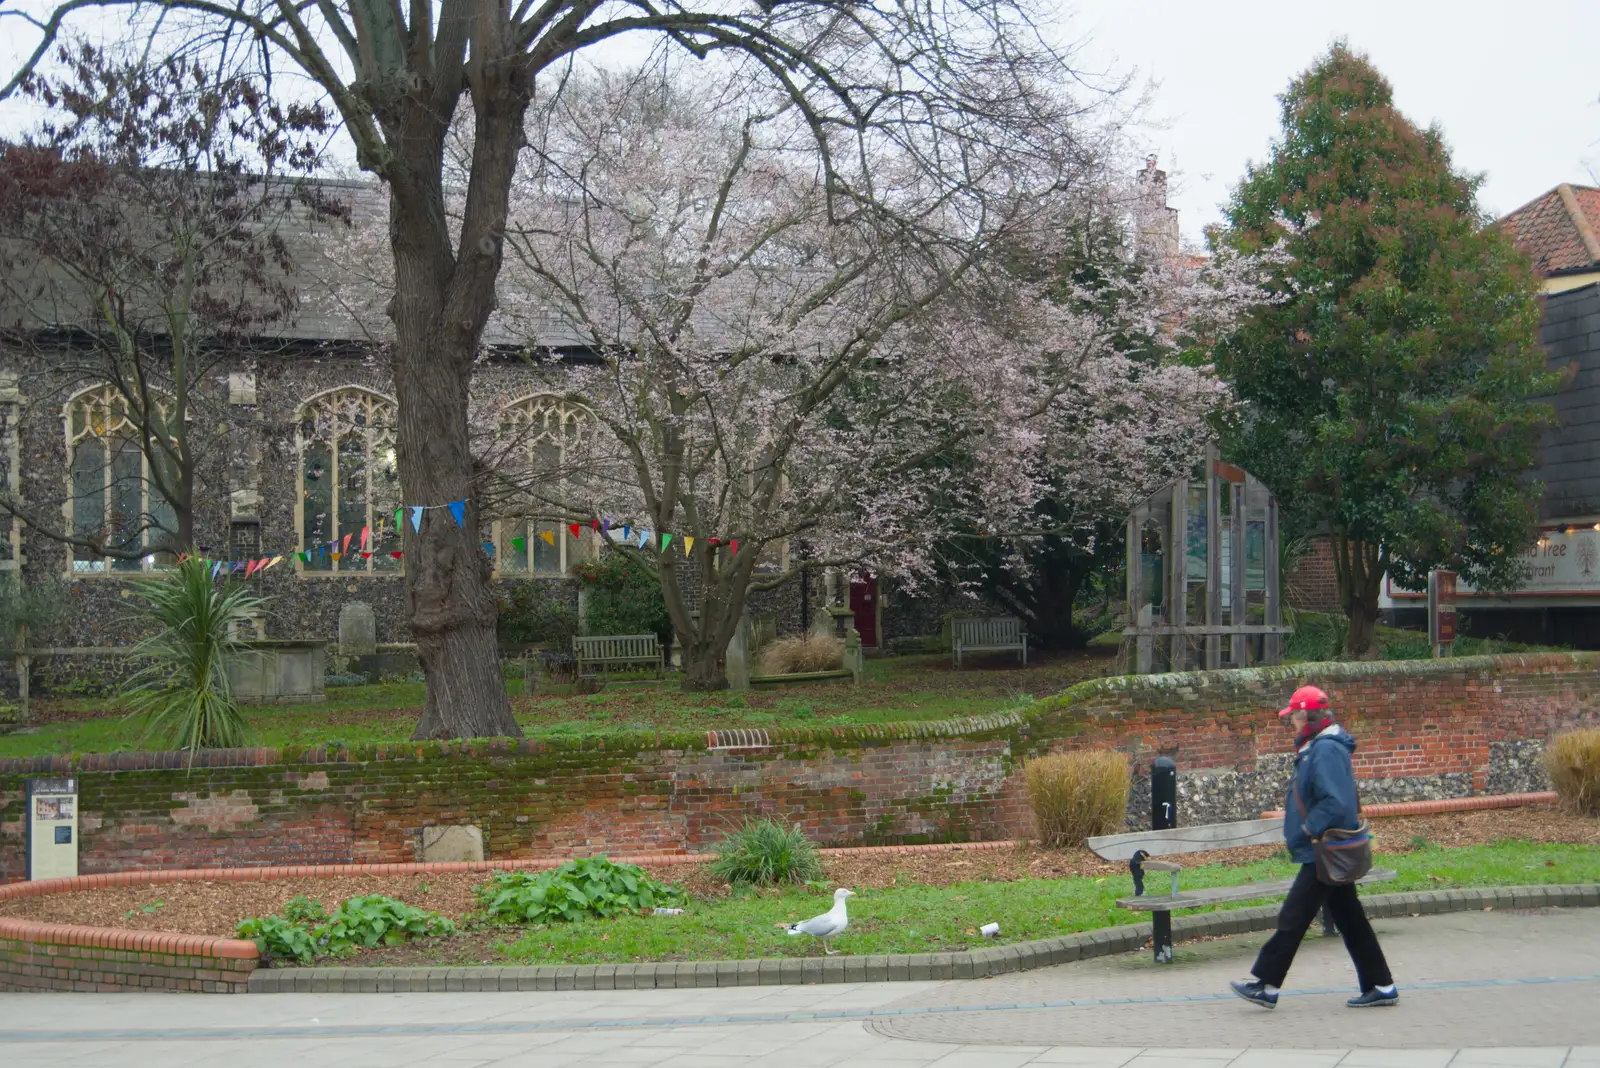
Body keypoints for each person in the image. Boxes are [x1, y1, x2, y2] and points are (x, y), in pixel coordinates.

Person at [1230, 684, 1399, 1009]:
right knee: (1351, 920)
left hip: (1322, 849)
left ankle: (1266, 984)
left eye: (1293, 716)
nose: (1290, 723)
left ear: (1308, 716)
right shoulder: (1319, 747)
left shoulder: (1325, 750)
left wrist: (1309, 827)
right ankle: (1381, 985)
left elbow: (1336, 803)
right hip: (1324, 849)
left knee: (1292, 918)